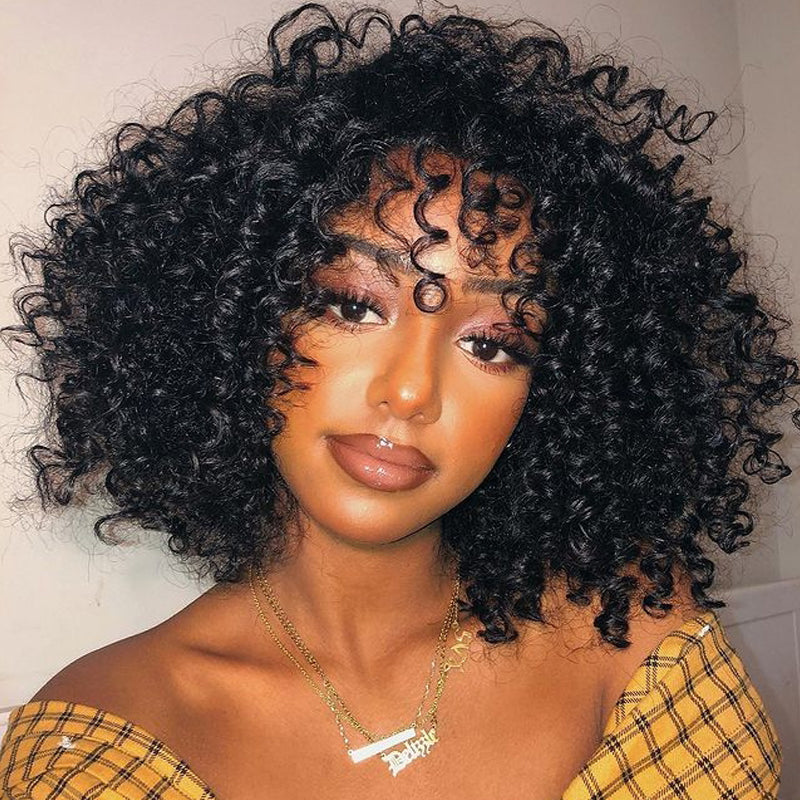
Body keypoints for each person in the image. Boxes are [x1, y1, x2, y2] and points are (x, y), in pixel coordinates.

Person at [0, 4, 795, 798]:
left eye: (493, 343)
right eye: (353, 304)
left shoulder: (631, 627)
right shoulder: (106, 744)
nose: (411, 392)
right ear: (235, 316)